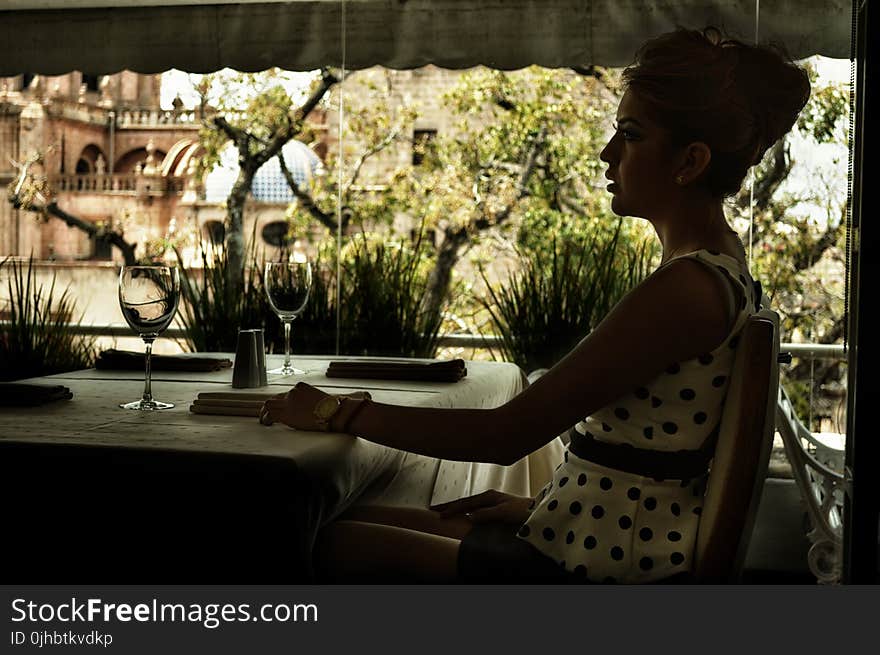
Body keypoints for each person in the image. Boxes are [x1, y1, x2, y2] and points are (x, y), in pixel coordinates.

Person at [260, 26, 811, 584]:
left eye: (631, 135)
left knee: (325, 540)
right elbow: (652, 457)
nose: (607, 153)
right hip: (598, 538)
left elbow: (507, 434)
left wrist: (336, 412)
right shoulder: (716, 268)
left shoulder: (686, 290)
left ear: (689, 162)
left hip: (600, 566)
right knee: (348, 517)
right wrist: (545, 507)